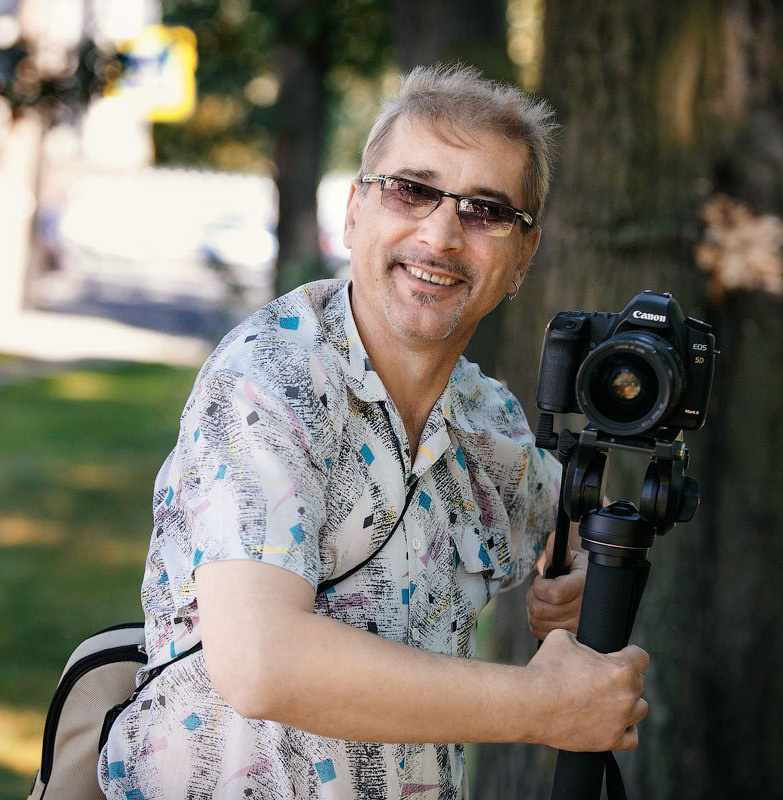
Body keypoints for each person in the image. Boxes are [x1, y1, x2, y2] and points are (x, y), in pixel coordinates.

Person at [98, 64, 649, 800]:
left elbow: (570, 522)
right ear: (355, 210)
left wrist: (573, 569)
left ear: (522, 257)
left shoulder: (489, 422)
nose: (442, 235)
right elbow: (262, 662)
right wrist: (541, 706)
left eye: (486, 210)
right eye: (412, 190)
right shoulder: (267, 380)